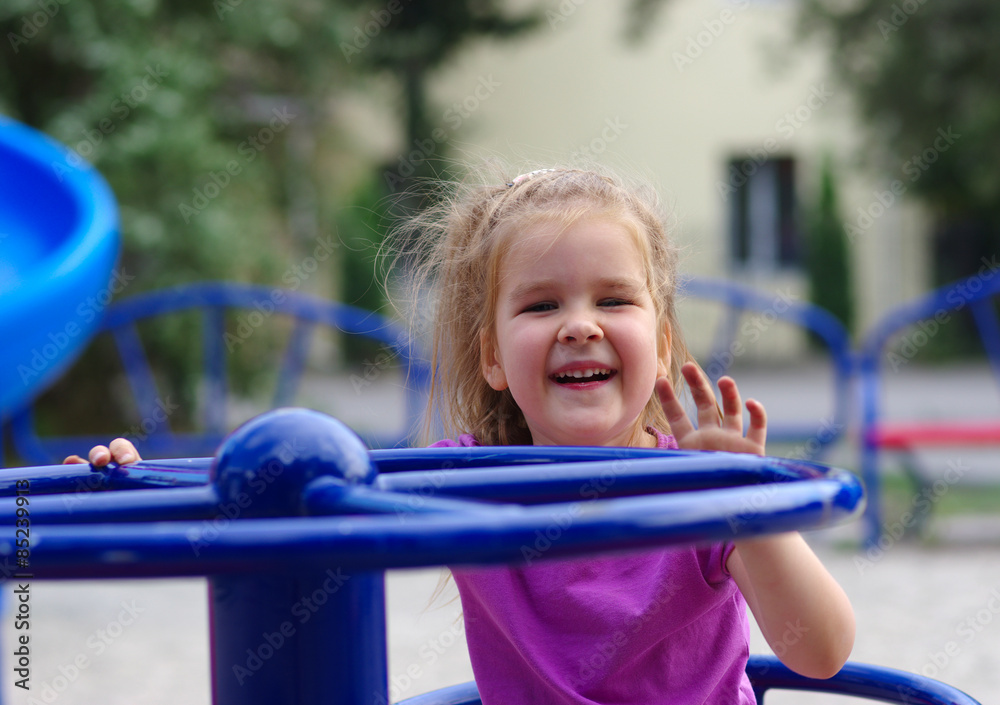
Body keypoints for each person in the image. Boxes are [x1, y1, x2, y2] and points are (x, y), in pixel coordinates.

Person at [66, 166, 854, 704]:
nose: (579, 325)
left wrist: (752, 510)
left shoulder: (702, 487)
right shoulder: (464, 483)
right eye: (541, 306)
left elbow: (819, 650)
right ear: (493, 358)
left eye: (614, 299)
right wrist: (140, 479)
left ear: (664, 343)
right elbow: (299, 489)